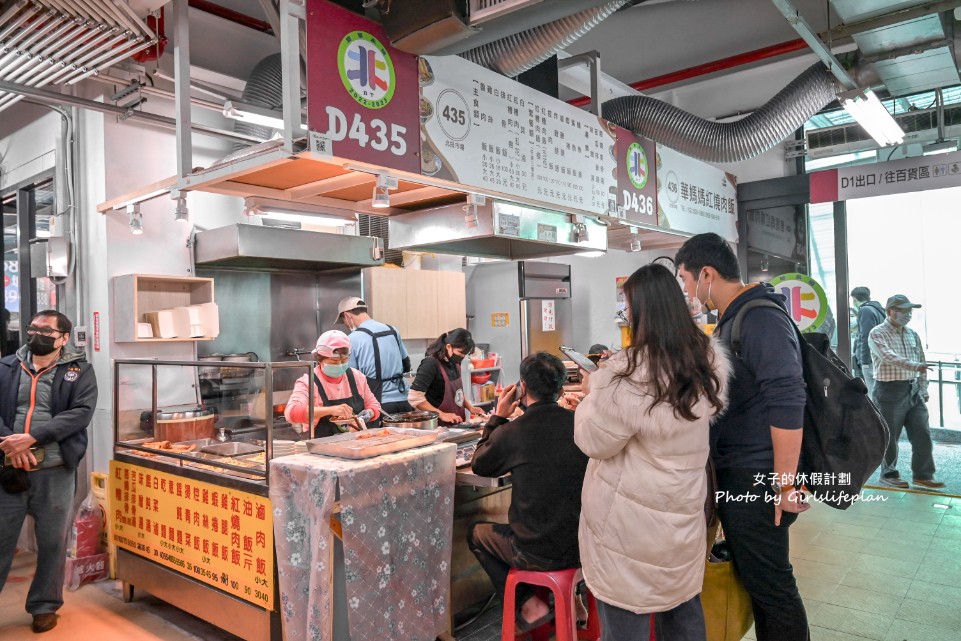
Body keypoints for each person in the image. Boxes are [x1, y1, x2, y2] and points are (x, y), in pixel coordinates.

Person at [575, 264, 730, 641]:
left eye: (628, 305)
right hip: (683, 513)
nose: (626, 312)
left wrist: (592, 394)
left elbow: (594, 441)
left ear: (641, 310)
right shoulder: (704, 363)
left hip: (630, 527)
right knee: (680, 606)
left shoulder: (627, 375)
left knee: (626, 619)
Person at [675, 233, 810, 641]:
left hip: (758, 477)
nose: (687, 290)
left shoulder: (759, 317)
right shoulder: (737, 317)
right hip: (747, 472)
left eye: (685, 280)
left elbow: (787, 400)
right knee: (761, 584)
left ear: (707, 274)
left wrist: (785, 484)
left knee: (772, 588)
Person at [468, 352, 589, 634]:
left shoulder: (512, 432)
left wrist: (498, 417)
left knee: (475, 532)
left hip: (537, 552)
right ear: (561, 389)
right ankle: (574, 598)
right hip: (585, 546)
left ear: (522, 387)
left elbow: (480, 464)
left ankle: (530, 604)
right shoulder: (581, 424)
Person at [0, 310, 98, 634]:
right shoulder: (7, 366)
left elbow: (80, 414)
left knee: (53, 542)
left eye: (45, 330)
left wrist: (32, 438)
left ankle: (44, 606)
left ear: (64, 338)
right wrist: (11, 445)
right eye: (33, 328)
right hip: (9, 467)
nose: (36, 335)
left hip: (54, 470)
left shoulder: (79, 371)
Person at [868, 295, 944, 490]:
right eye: (902, 310)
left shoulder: (912, 334)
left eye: (909, 311)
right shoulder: (877, 333)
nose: (907, 314)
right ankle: (889, 474)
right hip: (888, 391)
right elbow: (887, 356)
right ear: (889, 311)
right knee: (890, 436)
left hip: (913, 390)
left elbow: (922, 361)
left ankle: (923, 475)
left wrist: (924, 388)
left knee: (923, 434)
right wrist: (916, 366)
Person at [284, 330, 382, 438]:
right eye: (334, 362)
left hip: (356, 445)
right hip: (321, 448)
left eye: (344, 360)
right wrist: (331, 410)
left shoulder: (357, 377)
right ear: (320, 359)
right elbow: (292, 413)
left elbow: (374, 405)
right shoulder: (308, 382)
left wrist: (369, 413)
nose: (340, 365)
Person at [337, 296, 414, 415]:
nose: (346, 325)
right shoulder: (393, 330)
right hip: (404, 399)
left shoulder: (352, 338)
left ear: (347, 316)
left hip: (379, 405)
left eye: (343, 321)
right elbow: (407, 365)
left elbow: (350, 376)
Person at [408, 328, 484, 426]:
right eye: (460, 353)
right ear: (448, 346)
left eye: (464, 355)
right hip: (437, 426)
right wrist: (442, 414)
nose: (462, 357)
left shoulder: (455, 362)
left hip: (457, 425)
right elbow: (414, 397)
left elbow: (458, 392)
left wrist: (470, 407)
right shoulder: (430, 364)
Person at [850, 287, 885, 397]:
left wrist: (864, 361)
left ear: (854, 299)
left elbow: (866, 337)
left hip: (869, 360)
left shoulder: (865, 310)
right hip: (877, 357)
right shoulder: (878, 309)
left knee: (871, 394)